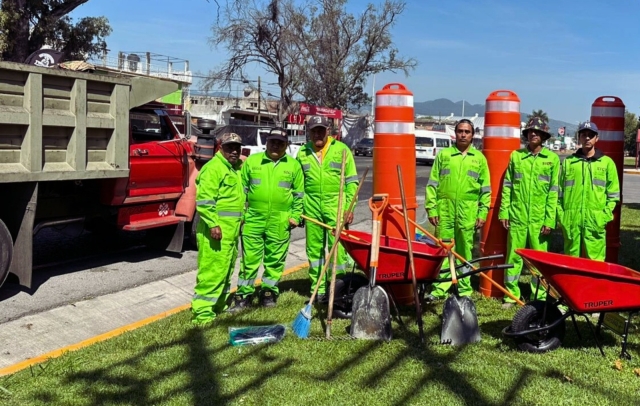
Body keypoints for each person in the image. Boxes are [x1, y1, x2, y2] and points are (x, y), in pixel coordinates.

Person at [228, 128, 304, 310]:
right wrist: (243, 216)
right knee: (250, 260)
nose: (276, 145)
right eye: (272, 142)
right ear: (267, 142)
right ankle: (243, 295)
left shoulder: (293, 166)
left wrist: (294, 216)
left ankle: (269, 292)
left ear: (286, 145)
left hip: (280, 221)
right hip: (253, 219)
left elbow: (299, 195)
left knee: (275, 260)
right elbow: (241, 193)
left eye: (280, 143)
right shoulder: (253, 162)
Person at [425, 119, 491, 301]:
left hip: (468, 211)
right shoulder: (444, 155)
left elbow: (485, 190)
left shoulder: (479, 159)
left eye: (467, 131)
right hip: (445, 210)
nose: (463, 134)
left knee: (465, 251)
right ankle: (439, 288)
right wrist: (432, 208)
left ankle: (464, 289)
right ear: (455, 133)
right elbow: (432, 184)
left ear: (472, 135)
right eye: (460, 131)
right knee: (443, 248)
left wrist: (482, 212)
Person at [498, 117, 560, 308]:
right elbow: (507, 187)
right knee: (513, 257)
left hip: (539, 219)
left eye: (537, 132)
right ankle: (510, 295)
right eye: (530, 131)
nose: (533, 134)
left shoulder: (552, 160)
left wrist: (550, 220)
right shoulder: (516, 157)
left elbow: (554, 193)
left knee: (539, 260)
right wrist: (504, 212)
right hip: (517, 216)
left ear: (543, 136)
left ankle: (539, 297)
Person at [296, 115, 359, 301]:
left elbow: (352, 183)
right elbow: (298, 186)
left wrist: (349, 208)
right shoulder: (302, 153)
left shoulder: (342, 150)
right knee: (314, 251)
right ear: (309, 132)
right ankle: (319, 289)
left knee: (337, 250)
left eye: (321, 130)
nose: (317, 134)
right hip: (312, 206)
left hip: (336, 206)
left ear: (328, 131)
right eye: (314, 130)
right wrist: (299, 210)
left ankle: (337, 288)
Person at [191, 133, 245, 325]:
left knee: (225, 270)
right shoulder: (214, 169)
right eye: (230, 147)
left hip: (230, 233)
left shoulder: (235, 169)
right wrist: (213, 224)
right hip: (216, 232)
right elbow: (205, 201)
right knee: (212, 271)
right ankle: (203, 314)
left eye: (237, 148)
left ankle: (218, 306)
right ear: (220, 148)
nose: (234, 151)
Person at [558, 121, 620, 261]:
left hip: (595, 222)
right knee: (571, 262)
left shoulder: (607, 163)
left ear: (596, 138)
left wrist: (603, 216)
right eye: (584, 135)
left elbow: (613, 196)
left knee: (595, 263)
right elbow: (558, 193)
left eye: (590, 135)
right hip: (571, 222)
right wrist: (562, 217)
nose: (587, 138)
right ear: (579, 137)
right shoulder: (568, 162)